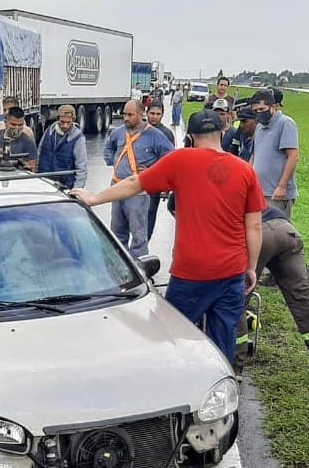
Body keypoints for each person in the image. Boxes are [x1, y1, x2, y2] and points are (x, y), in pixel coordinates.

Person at [72, 110, 263, 363]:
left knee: (172, 335)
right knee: (224, 336)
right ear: (222, 132)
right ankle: (221, 390)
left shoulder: (180, 161)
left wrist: (94, 198)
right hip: (232, 271)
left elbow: (134, 184)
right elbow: (255, 227)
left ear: (192, 136)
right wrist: (250, 267)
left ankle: (177, 387)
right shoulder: (245, 171)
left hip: (191, 272)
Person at [235, 206, 309, 383]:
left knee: (236, 299)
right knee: (305, 299)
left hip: (257, 233)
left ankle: (235, 367)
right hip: (286, 231)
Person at [102, 100, 174, 257]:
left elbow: (170, 157)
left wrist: (153, 171)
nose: (125, 118)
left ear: (141, 114)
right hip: (118, 187)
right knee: (117, 231)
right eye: (124, 114)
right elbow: (108, 146)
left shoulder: (155, 135)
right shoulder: (119, 132)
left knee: (138, 234)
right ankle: (121, 265)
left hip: (138, 192)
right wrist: (112, 160)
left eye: (130, 115)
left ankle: (140, 266)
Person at [250, 89, 300, 217]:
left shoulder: (286, 123)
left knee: (277, 231)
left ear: (273, 106)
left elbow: (293, 156)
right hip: (260, 191)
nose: (259, 113)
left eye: (262, 109)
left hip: (277, 194)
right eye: (255, 111)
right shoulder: (260, 127)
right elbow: (255, 156)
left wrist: (282, 186)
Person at [145, 101, 178, 237]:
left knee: (149, 214)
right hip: (134, 179)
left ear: (163, 115)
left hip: (154, 182)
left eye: (158, 114)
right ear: (146, 113)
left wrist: (166, 185)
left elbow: (169, 160)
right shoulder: (140, 130)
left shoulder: (166, 133)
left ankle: (145, 243)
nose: (154, 117)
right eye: (152, 113)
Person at [37, 104, 87, 188]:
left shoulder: (78, 138)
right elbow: (39, 153)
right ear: (58, 119)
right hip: (45, 182)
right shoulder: (48, 131)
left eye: (68, 122)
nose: (65, 125)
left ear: (73, 120)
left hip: (65, 185)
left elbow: (81, 169)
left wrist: (76, 190)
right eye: (62, 122)